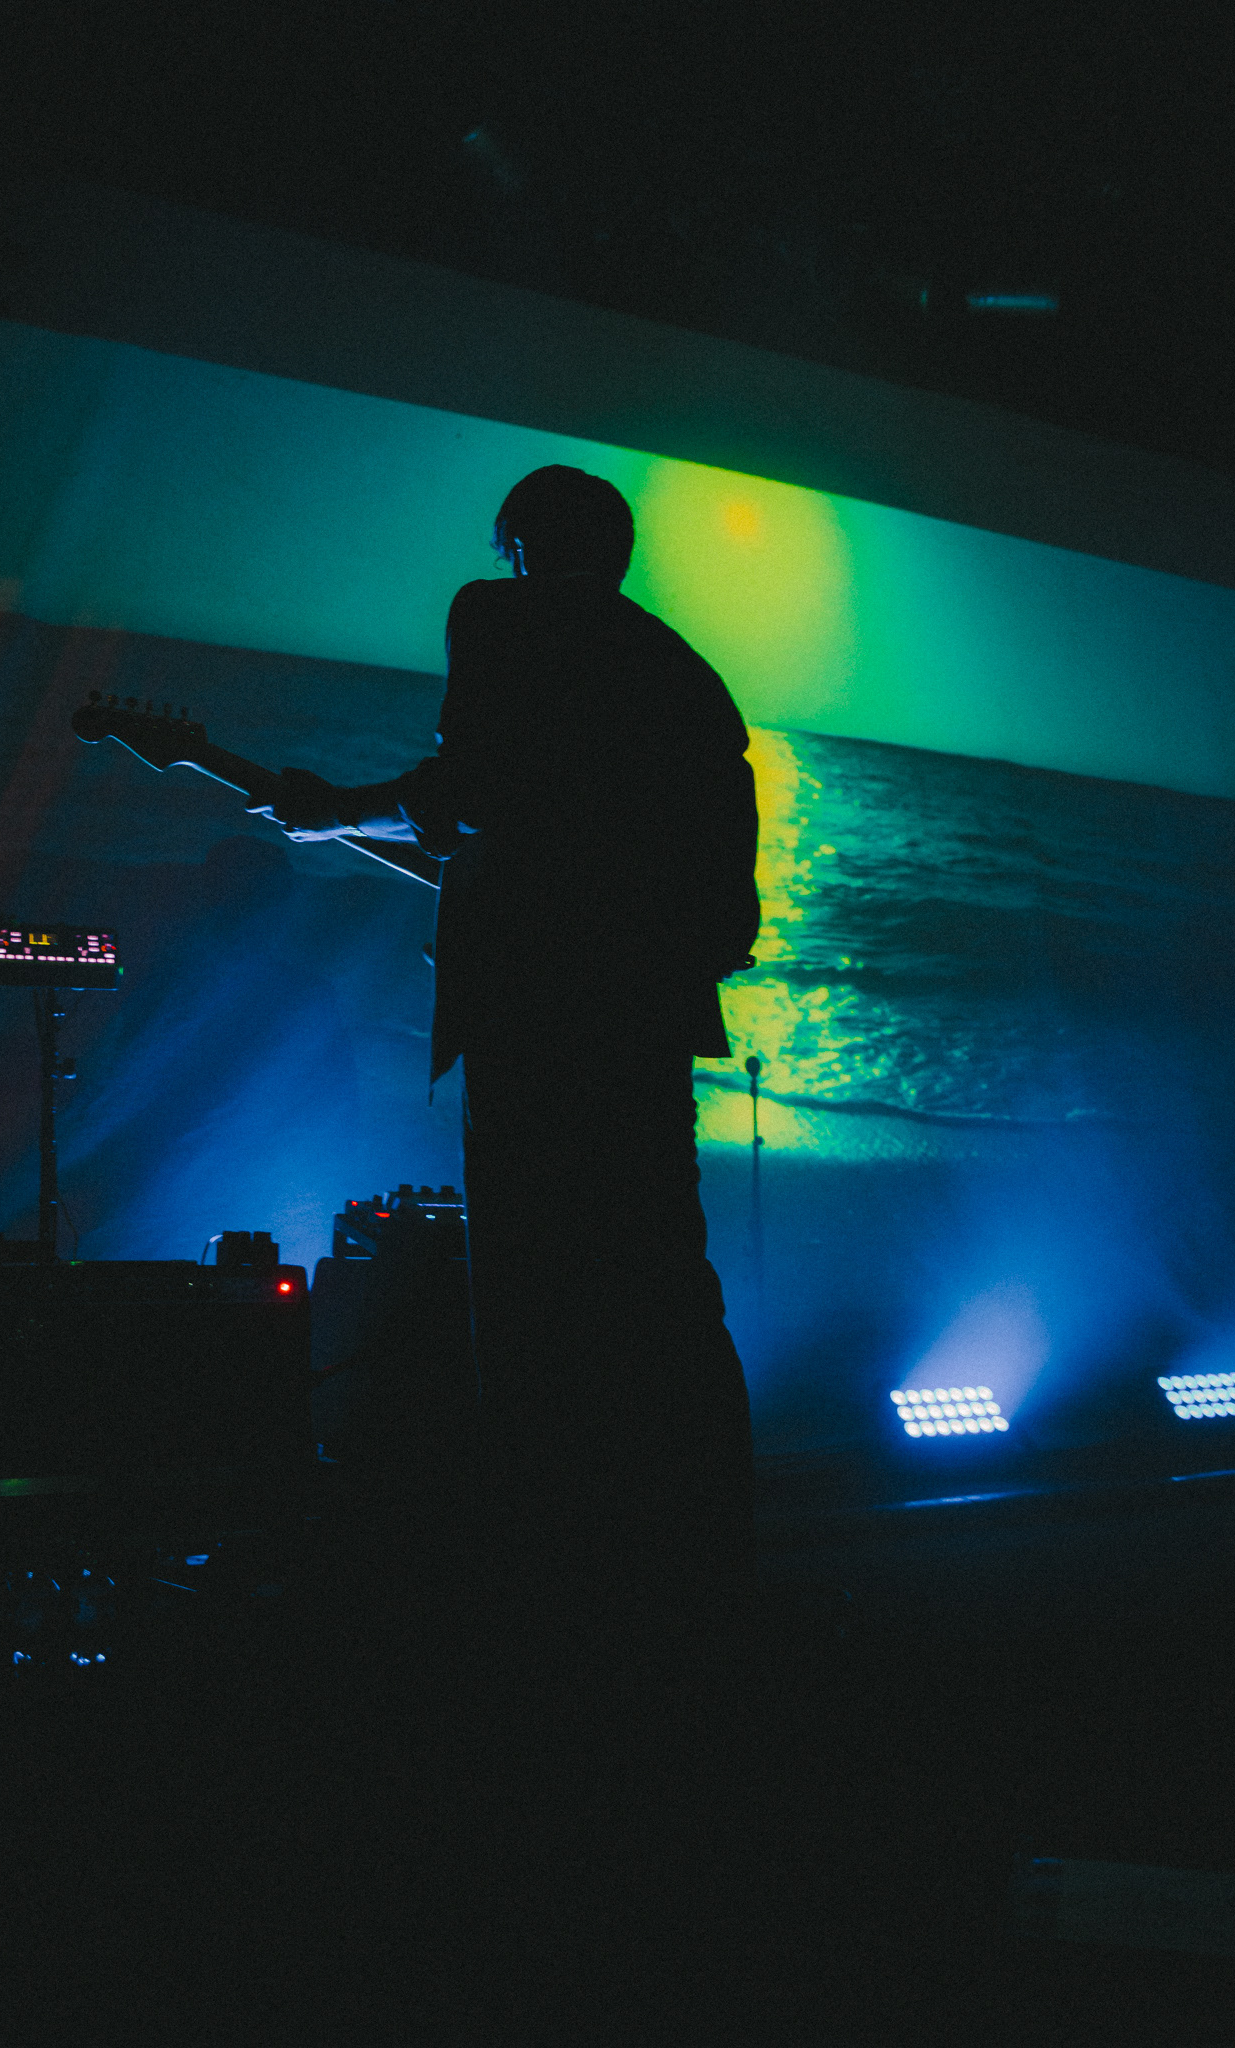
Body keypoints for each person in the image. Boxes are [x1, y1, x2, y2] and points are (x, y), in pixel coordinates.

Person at [257, 465, 761, 1636]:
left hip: (535, 1013)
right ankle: (702, 1561)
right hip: (645, 1028)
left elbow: (474, 787)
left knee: (533, 1297)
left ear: (521, 546)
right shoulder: (690, 678)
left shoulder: (500, 614)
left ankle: (542, 1578)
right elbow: (722, 909)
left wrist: (337, 810)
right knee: (664, 1286)